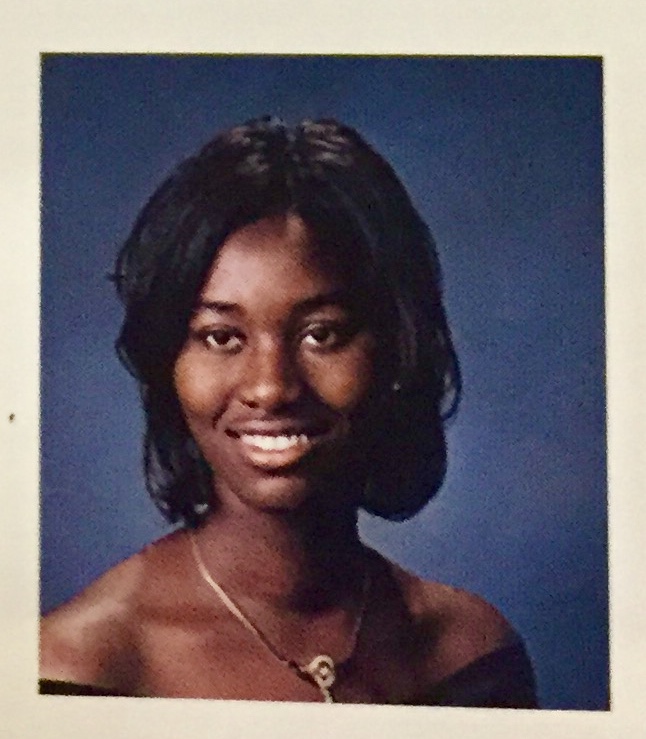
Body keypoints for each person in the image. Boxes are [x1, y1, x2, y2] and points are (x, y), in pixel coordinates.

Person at [39, 117, 537, 706]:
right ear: (166, 363)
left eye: (321, 334)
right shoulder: (77, 669)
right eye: (221, 337)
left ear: (396, 348)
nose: (271, 388)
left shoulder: (469, 653)